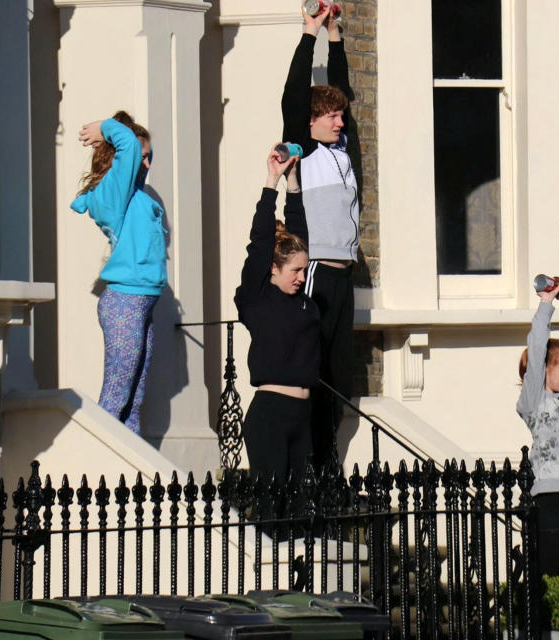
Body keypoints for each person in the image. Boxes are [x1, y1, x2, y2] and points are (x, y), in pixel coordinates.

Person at [281, 2, 357, 469]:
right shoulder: (304, 150)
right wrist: (309, 35)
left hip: (344, 275)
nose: (340, 121)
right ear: (311, 122)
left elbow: (343, 89)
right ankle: (306, 466)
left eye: (340, 116)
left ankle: (328, 467)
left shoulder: (341, 149)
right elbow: (293, 95)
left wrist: (336, 35)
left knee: (338, 377)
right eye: (331, 116)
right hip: (313, 273)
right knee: (310, 370)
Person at [71, 111, 165, 434]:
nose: (148, 165)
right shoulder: (115, 191)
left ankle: (129, 479)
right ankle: (94, 474)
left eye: (150, 157)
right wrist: (104, 128)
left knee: (134, 402)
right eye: (143, 157)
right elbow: (125, 142)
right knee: (115, 398)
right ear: (121, 157)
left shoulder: (136, 195)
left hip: (143, 302)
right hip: (125, 301)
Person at [235, 145, 320, 486]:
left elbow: (299, 232)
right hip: (270, 413)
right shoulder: (258, 299)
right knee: (273, 510)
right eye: (295, 271)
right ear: (273, 269)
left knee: (303, 515)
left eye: (305, 270)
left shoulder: (303, 301)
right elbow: (259, 242)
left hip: (304, 416)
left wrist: (293, 181)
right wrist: (271, 182)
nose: (302, 277)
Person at [516, 282, 559, 579]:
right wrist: (547, 305)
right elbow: (538, 348)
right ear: (546, 371)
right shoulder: (534, 401)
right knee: (550, 571)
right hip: (550, 495)